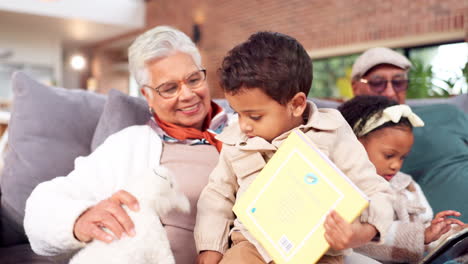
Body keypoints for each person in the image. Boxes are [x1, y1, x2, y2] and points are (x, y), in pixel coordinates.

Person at [23, 25, 231, 263]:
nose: (186, 95)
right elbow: (40, 207)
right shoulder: (129, 144)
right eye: (169, 88)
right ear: (147, 96)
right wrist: (80, 219)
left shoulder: (247, 132)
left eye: (194, 80)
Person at [194, 31, 395, 264]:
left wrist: (361, 233)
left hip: (316, 253)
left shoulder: (331, 131)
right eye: (237, 113)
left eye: (255, 116)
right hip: (251, 246)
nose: (243, 125)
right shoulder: (235, 141)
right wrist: (210, 250)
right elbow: (217, 197)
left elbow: (375, 191)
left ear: (297, 104)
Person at [338, 95, 466, 263]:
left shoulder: (407, 185)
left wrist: (445, 232)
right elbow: (362, 240)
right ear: (355, 143)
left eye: (402, 157)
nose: (396, 165)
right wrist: (421, 236)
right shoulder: (345, 187)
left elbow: (425, 228)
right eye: (389, 155)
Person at [350, 47, 468, 223]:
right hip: (441, 239)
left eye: (398, 82)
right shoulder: (348, 132)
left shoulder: (447, 112)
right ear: (356, 87)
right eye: (377, 82)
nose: (390, 92)